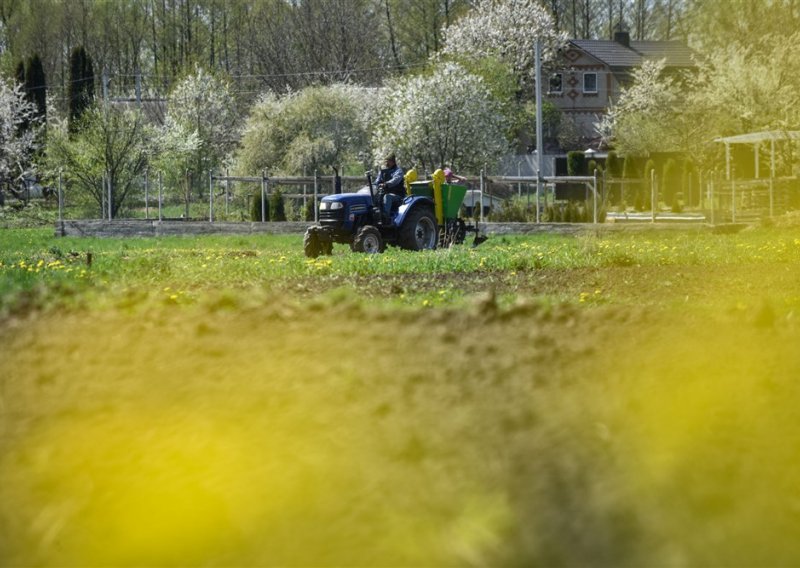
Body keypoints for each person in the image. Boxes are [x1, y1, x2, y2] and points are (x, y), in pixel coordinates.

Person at [374, 153, 405, 218]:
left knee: (388, 197)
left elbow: (395, 180)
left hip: (397, 195)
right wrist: (374, 184)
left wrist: (386, 184)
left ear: (393, 162)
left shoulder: (398, 171)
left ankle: (385, 217)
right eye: (385, 161)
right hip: (383, 193)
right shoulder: (383, 171)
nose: (386, 163)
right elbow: (377, 181)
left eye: (388, 161)